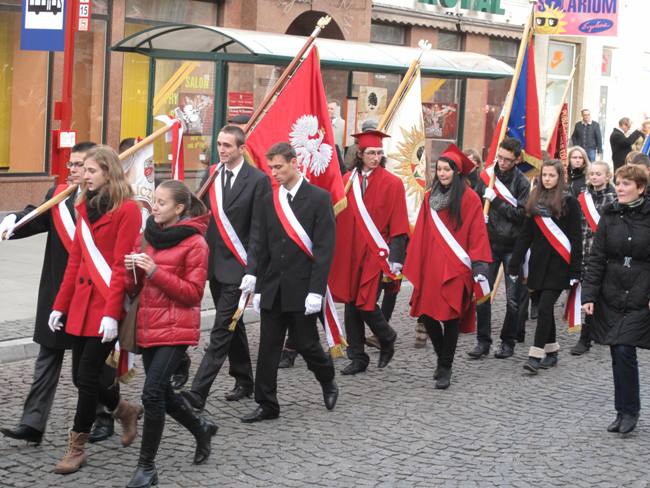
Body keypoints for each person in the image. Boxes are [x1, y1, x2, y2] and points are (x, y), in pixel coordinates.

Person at [0, 142, 116, 446]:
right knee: (47, 357)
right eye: (72, 165)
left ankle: (106, 416)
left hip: (91, 295)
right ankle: (32, 423)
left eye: (81, 165)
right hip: (57, 290)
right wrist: (13, 221)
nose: (75, 170)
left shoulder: (106, 201)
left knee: (91, 367)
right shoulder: (58, 195)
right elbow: (35, 218)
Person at [48, 145, 143, 474]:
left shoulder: (128, 209)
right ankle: (124, 409)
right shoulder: (83, 205)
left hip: (106, 304)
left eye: (90, 171)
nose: (83, 176)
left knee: (87, 376)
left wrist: (110, 313)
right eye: (83, 170)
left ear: (108, 173)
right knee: (79, 376)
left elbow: (119, 265)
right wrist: (59, 305)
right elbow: (76, 260)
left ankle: (76, 447)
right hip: (81, 305)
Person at [124, 180, 218, 488]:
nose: (155, 208)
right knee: (162, 392)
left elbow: (192, 294)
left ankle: (146, 466)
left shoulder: (196, 244)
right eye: (155, 201)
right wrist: (132, 271)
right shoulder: (148, 236)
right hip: (149, 325)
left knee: (151, 394)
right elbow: (137, 289)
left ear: (179, 209)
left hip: (177, 328)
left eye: (162, 203)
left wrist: (154, 271)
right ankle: (200, 428)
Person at [241, 142, 338, 423]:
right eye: (271, 167)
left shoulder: (319, 199)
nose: (274, 173)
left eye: (279, 167)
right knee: (268, 347)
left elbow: (324, 249)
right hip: (273, 286)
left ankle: (327, 379)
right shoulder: (269, 198)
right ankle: (267, 403)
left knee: (308, 345)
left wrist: (316, 291)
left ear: (294, 163)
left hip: (303, 287)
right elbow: (260, 241)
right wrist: (255, 280)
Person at [181, 125, 270, 410]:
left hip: (240, 267)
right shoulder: (212, 176)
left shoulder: (258, 181)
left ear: (241, 149)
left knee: (221, 329)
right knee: (234, 324)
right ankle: (244, 379)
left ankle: (197, 392)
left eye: (228, 145)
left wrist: (253, 271)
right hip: (215, 265)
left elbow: (258, 230)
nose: (221, 150)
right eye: (219, 144)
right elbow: (200, 216)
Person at [403, 144, 491, 388]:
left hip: (455, 268)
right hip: (431, 266)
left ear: (456, 171)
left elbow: (477, 233)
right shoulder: (430, 197)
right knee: (427, 316)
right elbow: (421, 231)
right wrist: (414, 262)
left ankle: (445, 367)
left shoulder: (470, 199)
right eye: (439, 169)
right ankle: (443, 358)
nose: (442, 173)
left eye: (446, 170)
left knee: (450, 318)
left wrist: (479, 263)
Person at [330, 130, 409, 376]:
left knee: (365, 303)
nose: (375, 157)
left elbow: (399, 223)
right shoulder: (346, 180)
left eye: (379, 153)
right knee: (352, 304)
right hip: (351, 252)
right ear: (360, 154)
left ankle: (387, 336)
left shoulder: (393, 183)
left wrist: (396, 259)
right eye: (370, 153)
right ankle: (357, 356)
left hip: (377, 253)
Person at [582, 164, 650, 435]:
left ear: (640, 188)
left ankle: (630, 410)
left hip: (640, 290)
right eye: (618, 183)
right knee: (615, 350)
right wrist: (589, 295)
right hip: (610, 290)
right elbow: (597, 257)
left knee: (624, 347)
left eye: (626, 184)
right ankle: (621, 410)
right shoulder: (609, 215)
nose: (619, 189)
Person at [508, 159, 582, 374]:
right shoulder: (535, 200)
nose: (547, 179)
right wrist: (515, 263)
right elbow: (525, 236)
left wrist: (576, 270)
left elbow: (576, 239)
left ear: (560, 178)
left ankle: (535, 355)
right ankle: (552, 351)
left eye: (552, 176)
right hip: (538, 264)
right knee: (543, 306)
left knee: (544, 308)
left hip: (559, 264)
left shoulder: (570, 202)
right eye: (545, 175)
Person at [468, 137, 530, 360]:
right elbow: (473, 202)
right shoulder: (487, 176)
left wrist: (496, 202)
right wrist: (478, 216)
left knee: (513, 299)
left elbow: (522, 215)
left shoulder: (522, 183)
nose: (502, 163)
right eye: (500, 158)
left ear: (516, 159)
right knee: (483, 294)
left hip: (513, 246)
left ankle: (508, 342)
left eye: (507, 160)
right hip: (488, 244)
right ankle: (482, 341)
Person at [570, 161, 616, 356]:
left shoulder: (614, 200)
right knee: (588, 295)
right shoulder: (582, 198)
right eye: (592, 173)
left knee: (603, 295)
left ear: (607, 177)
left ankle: (597, 332)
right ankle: (585, 337)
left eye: (599, 174)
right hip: (583, 252)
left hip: (605, 255)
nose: (595, 177)